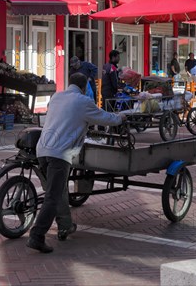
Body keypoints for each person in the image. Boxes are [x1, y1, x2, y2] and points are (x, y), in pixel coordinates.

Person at [26, 73, 126, 253]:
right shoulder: (83, 101)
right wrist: (120, 118)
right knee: (52, 196)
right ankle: (37, 236)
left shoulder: (57, 97)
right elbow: (104, 118)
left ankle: (65, 224)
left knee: (58, 190)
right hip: (60, 152)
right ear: (83, 87)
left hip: (42, 149)